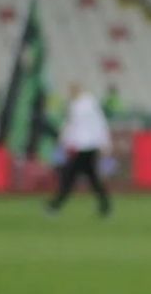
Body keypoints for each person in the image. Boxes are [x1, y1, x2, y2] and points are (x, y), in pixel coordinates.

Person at [47, 83, 112, 216]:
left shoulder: (82, 105)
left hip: (83, 147)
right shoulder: (84, 104)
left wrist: (63, 140)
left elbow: (79, 126)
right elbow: (98, 124)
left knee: (69, 177)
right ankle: (105, 206)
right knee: (92, 179)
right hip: (87, 147)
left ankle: (55, 206)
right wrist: (104, 142)